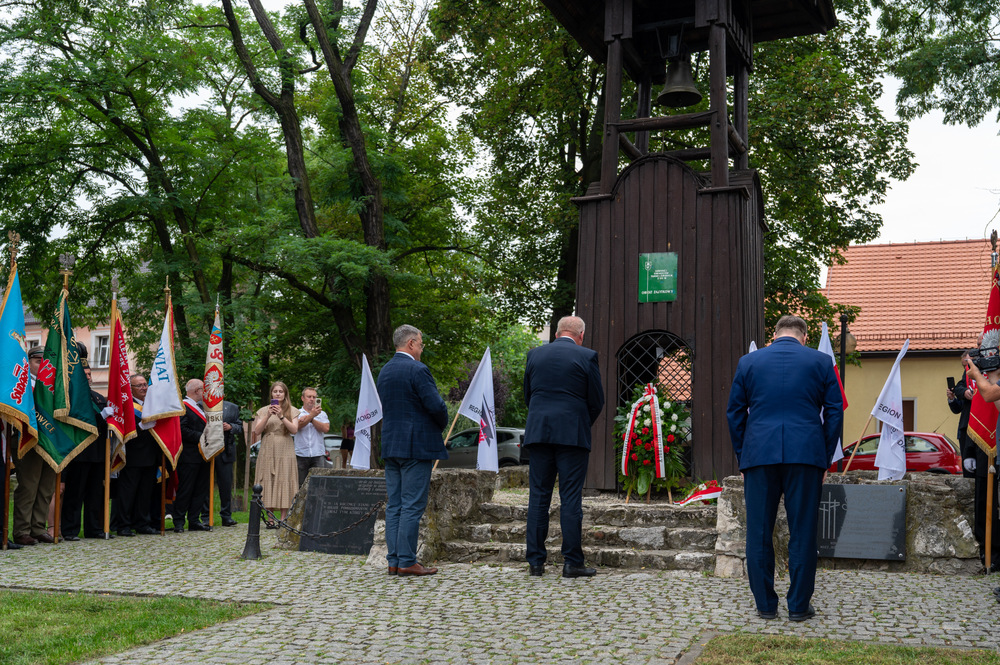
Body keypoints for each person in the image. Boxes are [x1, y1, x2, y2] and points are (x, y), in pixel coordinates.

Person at [726, 315, 843, 622]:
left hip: (759, 455)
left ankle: (765, 605)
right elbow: (834, 413)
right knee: (803, 531)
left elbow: (734, 413)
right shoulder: (821, 361)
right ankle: (799, 606)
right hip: (805, 454)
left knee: (758, 531)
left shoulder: (748, 362)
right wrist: (824, 457)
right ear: (804, 337)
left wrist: (743, 454)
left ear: (774, 335)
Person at [522, 315, 605, 579]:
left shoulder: (534, 355)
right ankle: (572, 563)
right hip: (572, 436)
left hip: (539, 434)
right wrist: (579, 422)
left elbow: (528, 395)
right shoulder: (587, 356)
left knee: (538, 496)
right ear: (581, 335)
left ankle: (536, 563)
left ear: (557, 333)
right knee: (570, 498)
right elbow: (597, 400)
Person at [377, 324, 449, 577]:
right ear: (410, 344)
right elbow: (436, 406)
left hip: (391, 445)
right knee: (411, 505)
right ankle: (407, 560)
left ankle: (394, 561)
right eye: (420, 343)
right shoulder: (418, 370)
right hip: (416, 446)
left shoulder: (385, 371)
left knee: (395, 505)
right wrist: (441, 423)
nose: (421, 348)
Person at [959, 345, 1000, 572]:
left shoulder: (982, 378)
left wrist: (979, 375)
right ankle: (989, 551)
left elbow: (990, 395)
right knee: (985, 499)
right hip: (985, 449)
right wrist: (969, 450)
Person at [11, 346, 57, 546]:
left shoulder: (53, 386)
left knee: (46, 486)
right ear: (28, 363)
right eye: (38, 361)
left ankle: (38, 528)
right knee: (28, 486)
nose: (43, 365)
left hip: (51, 441)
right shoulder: (21, 384)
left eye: (45, 362)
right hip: (28, 439)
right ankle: (22, 530)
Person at [61, 363, 109, 539]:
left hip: (98, 452)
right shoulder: (72, 397)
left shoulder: (98, 397)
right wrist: (100, 417)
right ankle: (70, 530)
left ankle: (93, 528)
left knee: (95, 494)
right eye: (85, 374)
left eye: (89, 374)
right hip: (79, 453)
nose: (88, 377)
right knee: (75, 494)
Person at [115, 374, 160, 535]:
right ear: (131, 388)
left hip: (151, 456)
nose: (143, 388)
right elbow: (124, 431)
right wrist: (141, 427)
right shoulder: (127, 406)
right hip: (132, 456)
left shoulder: (152, 404)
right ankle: (123, 525)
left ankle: (142, 523)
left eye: (145, 384)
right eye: (139, 385)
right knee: (128, 493)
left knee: (145, 493)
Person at [252, 381, 299, 524]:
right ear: (271, 394)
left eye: (280, 391)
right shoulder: (263, 410)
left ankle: (283, 518)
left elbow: (294, 430)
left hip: (285, 447)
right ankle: (270, 518)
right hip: (268, 447)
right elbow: (257, 431)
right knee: (268, 479)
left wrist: (281, 416)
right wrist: (267, 415)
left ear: (285, 394)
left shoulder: (292, 410)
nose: (278, 394)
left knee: (284, 478)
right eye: (275, 391)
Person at [174, 379, 212, 533]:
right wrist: (203, 436)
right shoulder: (183, 406)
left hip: (204, 455)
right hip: (189, 456)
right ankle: (178, 521)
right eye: (204, 389)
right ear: (197, 391)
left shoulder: (201, 407)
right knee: (186, 489)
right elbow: (182, 430)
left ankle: (194, 520)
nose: (205, 392)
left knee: (200, 490)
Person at [199, 400, 243, 527]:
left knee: (226, 485)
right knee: (205, 485)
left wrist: (231, 427)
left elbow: (239, 426)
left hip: (226, 452)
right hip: (207, 450)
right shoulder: (200, 405)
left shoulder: (232, 407)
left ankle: (226, 516)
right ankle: (206, 516)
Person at [293, 387, 330, 486]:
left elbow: (326, 428)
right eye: (309, 396)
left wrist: (311, 418)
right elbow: (295, 427)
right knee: (300, 485)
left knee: (318, 485)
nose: (312, 399)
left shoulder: (322, 414)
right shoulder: (296, 413)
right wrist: (311, 415)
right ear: (302, 398)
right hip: (301, 454)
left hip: (317, 454)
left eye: (314, 397)